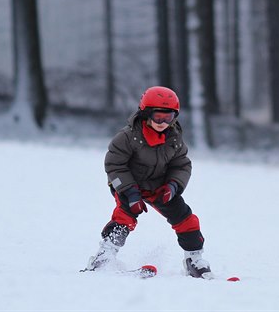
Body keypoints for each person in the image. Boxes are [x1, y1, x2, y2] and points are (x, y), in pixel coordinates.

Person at [83, 86, 212, 279]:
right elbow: (114, 165)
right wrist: (130, 192)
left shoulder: (174, 139)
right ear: (146, 114)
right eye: (158, 117)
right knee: (125, 216)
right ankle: (104, 255)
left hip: (159, 187)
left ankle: (193, 259)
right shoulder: (127, 137)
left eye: (168, 118)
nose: (162, 122)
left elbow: (182, 165)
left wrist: (173, 185)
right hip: (128, 185)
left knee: (186, 219)